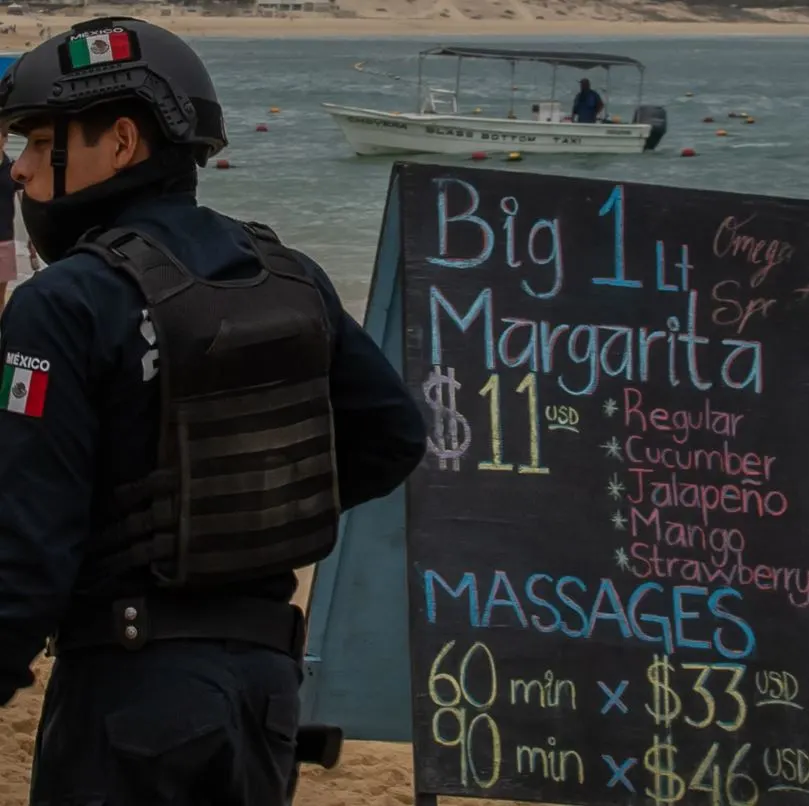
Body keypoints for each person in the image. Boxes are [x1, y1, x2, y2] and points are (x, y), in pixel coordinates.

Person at [0, 17, 426, 806]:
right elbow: (394, 435)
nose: (19, 171)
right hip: (264, 694)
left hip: (127, 693)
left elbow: (28, 542)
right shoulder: (287, 272)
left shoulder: (60, 302)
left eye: (35, 142)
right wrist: (245, 508)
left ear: (121, 142)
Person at [0, 131, 36, 312]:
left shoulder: (12, 170)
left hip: (4, 238)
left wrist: (32, 236)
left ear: (5, 139)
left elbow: (24, 201)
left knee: (0, 294)